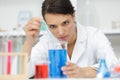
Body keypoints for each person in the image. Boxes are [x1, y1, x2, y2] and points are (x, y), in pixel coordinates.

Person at [22, 0, 118, 78]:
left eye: (65, 23)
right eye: (53, 26)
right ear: (46, 25)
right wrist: (29, 43)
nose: (61, 32)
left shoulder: (94, 35)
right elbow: (22, 73)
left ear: (73, 15)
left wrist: (83, 72)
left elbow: (114, 66)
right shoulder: (46, 42)